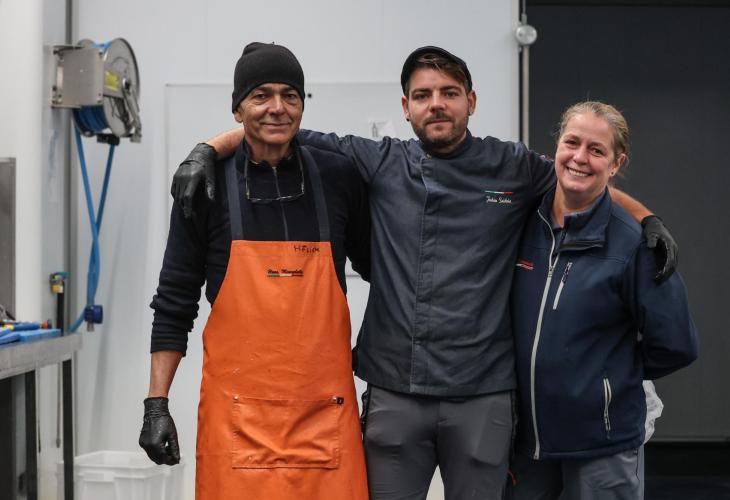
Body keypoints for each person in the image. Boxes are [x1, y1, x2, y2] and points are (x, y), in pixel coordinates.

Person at [171, 47, 679, 500]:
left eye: (449, 93)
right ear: (405, 106)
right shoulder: (378, 160)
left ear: (471, 102)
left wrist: (646, 219)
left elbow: (582, 178)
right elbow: (276, 127)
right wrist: (207, 149)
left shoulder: (513, 166)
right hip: (395, 393)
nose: (436, 104)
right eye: (422, 95)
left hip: (481, 393)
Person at [138, 42, 371, 500]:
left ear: (302, 104)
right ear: (237, 108)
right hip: (236, 425)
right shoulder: (204, 185)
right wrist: (156, 404)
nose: (277, 108)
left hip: (325, 419)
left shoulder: (339, 176)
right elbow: (174, 302)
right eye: (261, 95)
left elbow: (384, 273)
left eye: (290, 95)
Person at [508, 101, 698, 500]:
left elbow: (677, 344)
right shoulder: (523, 224)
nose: (580, 157)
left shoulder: (635, 245)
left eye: (596, 150)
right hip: (526, 445)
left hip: (601, 445)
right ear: (556, 147)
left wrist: (607, 375)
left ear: (616, 164)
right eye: (572, 142)